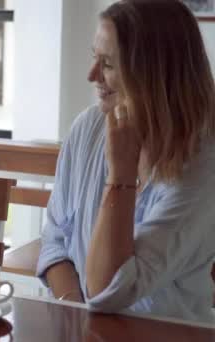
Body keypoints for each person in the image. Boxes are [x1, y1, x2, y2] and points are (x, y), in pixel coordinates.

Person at [37, 0, 215, 323]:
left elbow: (108, 290)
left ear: (153, 73)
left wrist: (120, 174)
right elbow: (54, 241)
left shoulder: (204, 165)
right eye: (95, 58)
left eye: (107, 64)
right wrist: (76, 313)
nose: (92, 75)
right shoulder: (86, 129)